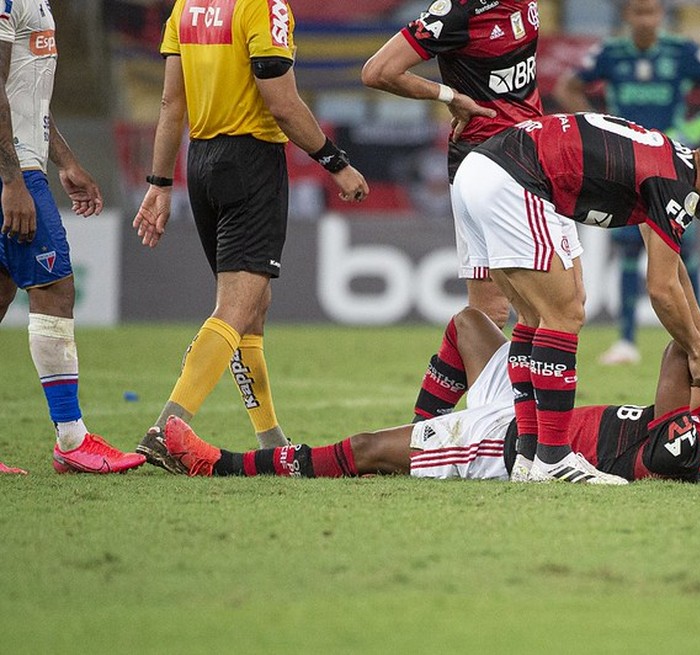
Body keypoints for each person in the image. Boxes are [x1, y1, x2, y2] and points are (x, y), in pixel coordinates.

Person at [450, 112, 700, 483]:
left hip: (480, 170)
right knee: (565, 313)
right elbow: (661, 290)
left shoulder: (671, 164)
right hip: (513, 178)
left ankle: (528, 454)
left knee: (534, 316)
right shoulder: (675, 186)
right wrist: (697, 352)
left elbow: (672, 267)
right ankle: (553, 459)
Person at [131, 0, 369, 472]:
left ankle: (270, 436)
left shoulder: (188, 6)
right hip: (250, 160)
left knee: (253, 307)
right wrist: (336, 163)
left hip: (200, 163)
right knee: (236, 308)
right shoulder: (263, 7)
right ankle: (166, 428)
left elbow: (170, 102)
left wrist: (159, 184)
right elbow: (280, 103)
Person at [160, 308, 700, 484]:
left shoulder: (686, 454)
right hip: (522, 407)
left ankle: (218, 463)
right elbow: (684, 350)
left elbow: (679, 359)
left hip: (510, 444)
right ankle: (423, 439)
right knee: (470, 325)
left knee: (362, 449)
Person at [362, 0, 544, 423]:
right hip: (495, 167)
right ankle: (521, 433)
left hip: (527, 156)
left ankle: (421, 433)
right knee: (550, 311)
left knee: (489, 314)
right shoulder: (458, 12)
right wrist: (448, 95)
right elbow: (377, 70)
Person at [553, 0, 700, 365]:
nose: (646, 19)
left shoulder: (682, 51)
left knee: (683, 250)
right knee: (629, 249)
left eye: (653, 12)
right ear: (627, 16)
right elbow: (568, 87)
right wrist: (599, 129)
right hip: (627, 167)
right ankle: (626, 341)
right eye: (639, 12)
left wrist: (699, 126)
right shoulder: (610, 52)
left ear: (662, 15)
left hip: (674, 165)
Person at [0, 0, 145, 474]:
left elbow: (28, 98)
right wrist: (13, 182)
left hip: (26, 161)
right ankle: (71, 438)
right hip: (13, 169)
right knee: (55, 290)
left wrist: (65, 160)